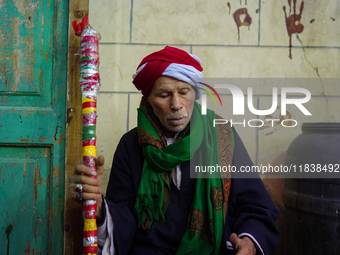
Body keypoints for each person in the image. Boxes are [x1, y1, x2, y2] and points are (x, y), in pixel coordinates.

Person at [69, 46, 280, 255]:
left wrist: (249, 242)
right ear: (149, 99)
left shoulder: (222, 136)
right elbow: (124, 219)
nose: (176, 104)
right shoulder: (131, 145)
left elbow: (256, 208)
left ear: (194, 94)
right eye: (164, 95)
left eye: (183, 92)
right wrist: (98, 205)